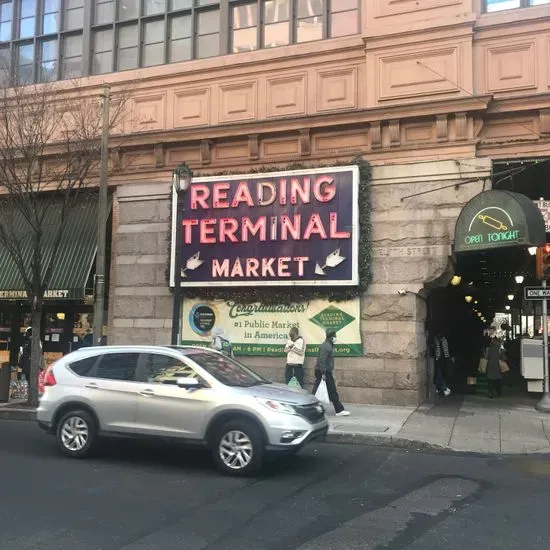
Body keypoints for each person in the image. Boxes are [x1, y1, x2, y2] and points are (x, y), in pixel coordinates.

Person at [312, 330, 350, 416]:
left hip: (323, 371)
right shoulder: (326, 346)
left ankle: (338, 409)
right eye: (335, 336)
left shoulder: (327, 345)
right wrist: (323, 373)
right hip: (324, 372)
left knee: (324, 391)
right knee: (331, 391)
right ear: (331, 337)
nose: (336, 338)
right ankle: (339, 410)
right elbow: (322, 360)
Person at [433, 332, 452, 397]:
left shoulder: (444, 339)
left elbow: (447, 350)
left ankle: (442, 388)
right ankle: (443, 388)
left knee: (442, 374)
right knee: (439, 375)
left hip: (444, 359)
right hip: (438, 359)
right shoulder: (436, 340)